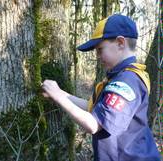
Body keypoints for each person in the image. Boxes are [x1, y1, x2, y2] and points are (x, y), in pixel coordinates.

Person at [41, 14, 161, 161]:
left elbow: (93, 124)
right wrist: (58, 93)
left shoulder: (127, 82)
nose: (97, 56)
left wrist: (59, 97)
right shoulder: (120, 77)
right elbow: (90, 106)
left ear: (120, 43)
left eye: (100, 49)